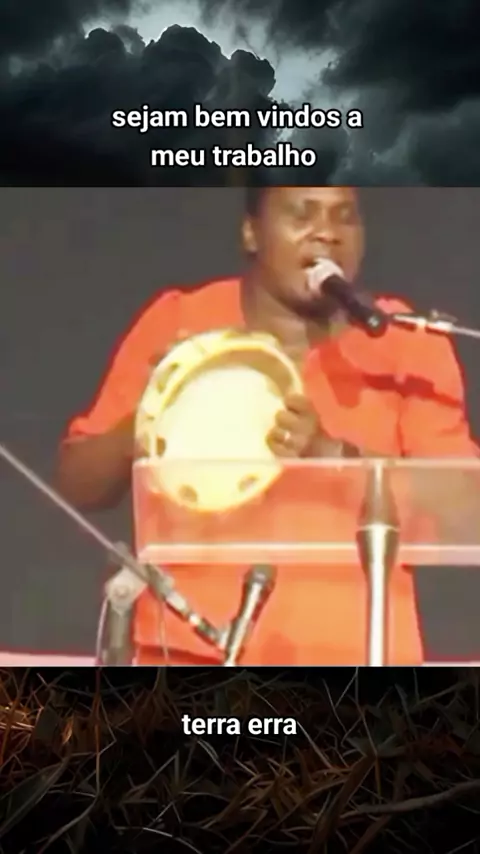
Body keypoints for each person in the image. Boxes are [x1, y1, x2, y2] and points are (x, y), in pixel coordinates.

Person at [56, 186, 478, 665]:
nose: (326, 233)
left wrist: (331, 455)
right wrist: (152, 414)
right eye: (302, 214)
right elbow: (79, 483)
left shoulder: (407, 343)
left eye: (344, 217)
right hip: (190, 661)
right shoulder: (181, 321)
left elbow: (466, 510)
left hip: (359, 663)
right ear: (251, 232)